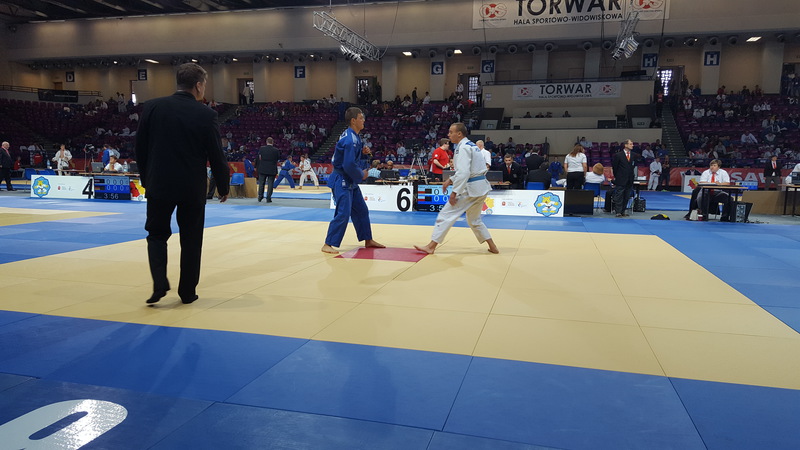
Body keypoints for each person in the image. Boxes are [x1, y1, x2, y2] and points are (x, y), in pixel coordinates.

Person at [135, 63, 229, 305]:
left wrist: (147, 180)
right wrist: (223, 186)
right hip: (191, 187)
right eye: (204, 85)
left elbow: (140, 148)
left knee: (156, 234)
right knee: (191, 239)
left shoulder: (153, 107)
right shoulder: (206, 114)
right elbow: (216, 154)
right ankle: (187, 292)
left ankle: (159, 283)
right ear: (198, 85)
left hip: (159, 184)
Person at [415, 122, 499, 255]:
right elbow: (470, 170)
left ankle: (431, 246)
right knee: (474, 220)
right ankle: (492, 246)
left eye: (451, 132)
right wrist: (450, 180)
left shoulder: (463, 148)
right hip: (481, 187)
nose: (448, 135)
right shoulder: (471, 145)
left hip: (471, 189)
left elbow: (464, 173)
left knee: (446, 214)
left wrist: (454, 192)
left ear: (459, 134)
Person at [321, 107, 384, 254]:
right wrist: (361, 175)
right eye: (361, 118)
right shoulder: (350, 139)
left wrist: (362, 154)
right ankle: (328, 244)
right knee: (343, 213)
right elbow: (348, 164)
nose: (364, 120)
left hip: (349, 180)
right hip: (342, 179)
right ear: (353, 120)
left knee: (361, 210)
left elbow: (349, 158)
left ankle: (367, 239)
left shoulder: (353, 136)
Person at [611, 139, 640, 217]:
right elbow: (615, 167)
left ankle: (623, 211)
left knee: (626, 196)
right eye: (630, 144)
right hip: (620, 178)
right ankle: (618, 211)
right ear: (626, 145)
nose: (632, 145)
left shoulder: (633, 155)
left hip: (630, 179)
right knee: (619, 195)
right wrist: (617, 176)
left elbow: (633, 166)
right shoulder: (618, 155)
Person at [256, 137, 279, 202]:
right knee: (270, 184)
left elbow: (259, 157)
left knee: (261, 183)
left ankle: (260, 197)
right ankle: (268, 198)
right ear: (272, 142)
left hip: (263, 168)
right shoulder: (276, 150)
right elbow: (277, 159)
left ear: (266, 142)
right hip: (272, 168)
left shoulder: (262, 149)